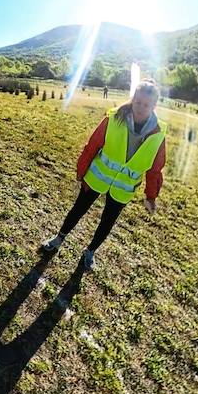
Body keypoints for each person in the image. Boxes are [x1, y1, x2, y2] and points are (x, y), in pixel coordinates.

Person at [40, 79, 167, 270]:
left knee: (107, 222)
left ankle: (90, 252)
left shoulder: (158, 134)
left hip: (122, 189)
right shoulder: (114, 118)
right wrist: (82, 170)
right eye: (138, 102)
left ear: (154, 106)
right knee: (78, 209)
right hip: (97, 177)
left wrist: (150, 197)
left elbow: (155, 169)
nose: (140, 108)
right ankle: (58, 238)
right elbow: (92, 145)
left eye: (146, 104)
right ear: (133, 99)